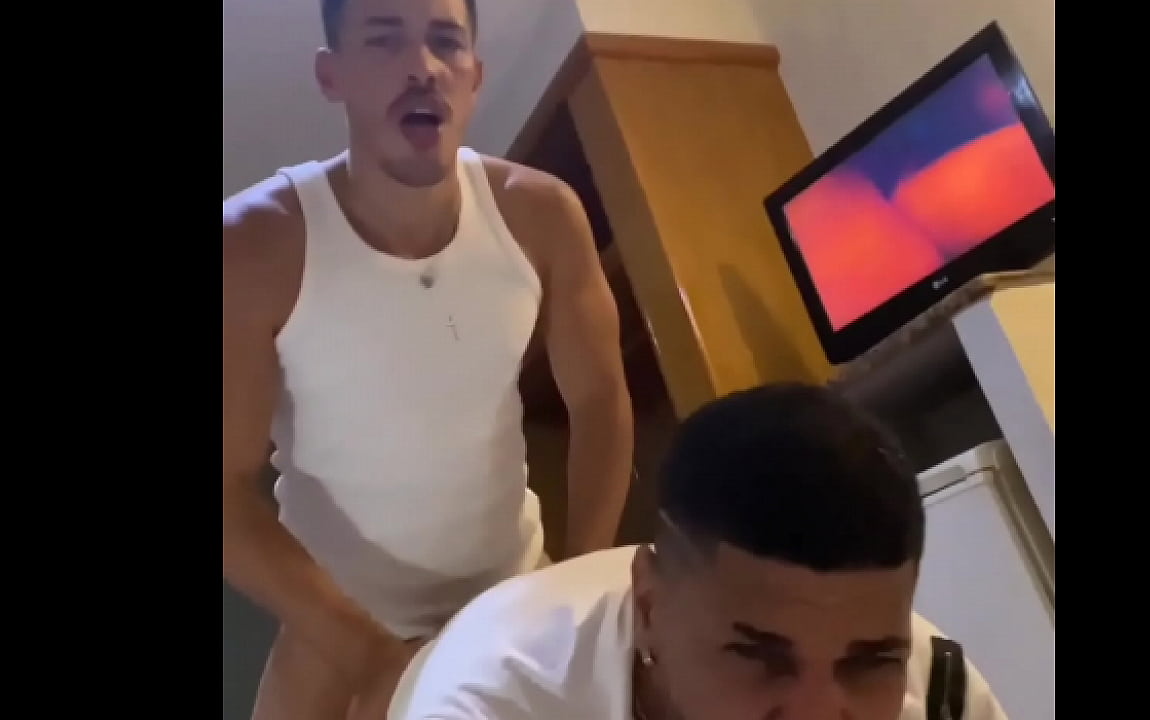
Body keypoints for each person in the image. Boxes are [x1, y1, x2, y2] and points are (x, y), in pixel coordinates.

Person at [221, 0, 634, 718]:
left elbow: (599, 402)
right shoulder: (254, 244)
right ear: (331, 76)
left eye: (446, 42)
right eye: (385, 42)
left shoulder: (541, 214)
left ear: (475, 77)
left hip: (511, 591)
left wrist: (569, 592)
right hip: (338, 623)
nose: (423, 67)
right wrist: (373, 657)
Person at [389, 383, 1010, 720]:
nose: (817, 713)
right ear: (649, 608)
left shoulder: (940, 694)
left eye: (869, 663)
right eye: (760, 657)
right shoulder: (486, 702)